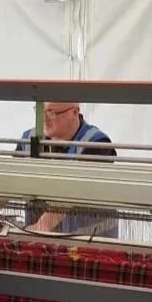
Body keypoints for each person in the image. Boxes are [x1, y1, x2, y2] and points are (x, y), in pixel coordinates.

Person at [17, 99, 117, 236]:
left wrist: (42, 226)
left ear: (74, 112)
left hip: (91, 246)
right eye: (42, 112)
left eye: (52, 113)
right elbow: (9, 183)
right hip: (44, 247)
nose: (45, 120)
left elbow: (71, 193)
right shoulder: (29, 139)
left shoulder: (96, 143)